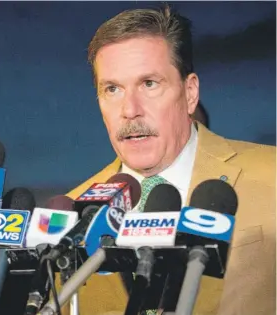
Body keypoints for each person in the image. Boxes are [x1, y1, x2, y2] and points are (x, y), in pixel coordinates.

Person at [65, 5, 275, 315]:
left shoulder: (271, 174)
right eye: (112, 89)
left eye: (149, 84)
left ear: (190, 93)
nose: (130, 109)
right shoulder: (72, 219)